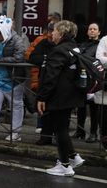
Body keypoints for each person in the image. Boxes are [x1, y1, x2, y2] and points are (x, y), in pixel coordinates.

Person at [37, 20, 85, 176]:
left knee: (60, 130)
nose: (52, 33)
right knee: (62, 127)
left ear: (62, 33)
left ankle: (64, 165)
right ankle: (73, 157)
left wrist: (42, 97)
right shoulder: (75, 48)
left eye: (55, 31)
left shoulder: (58, 51)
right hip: (72, 95)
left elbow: (51, 76)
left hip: (59, 96)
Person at [27, 22, 55, 145]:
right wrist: (47, 59)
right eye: (49, 31)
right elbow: (31, 56)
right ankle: (45, 136)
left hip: (57, 81)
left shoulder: (62, 45)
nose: (50, 34)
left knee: (55, 109)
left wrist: (46, 59)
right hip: (42, 79)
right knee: (43, 106)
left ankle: (57, 136)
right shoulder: (42, 42)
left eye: (53, 31)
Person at [72, 23, 101, 143]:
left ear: (99, 32)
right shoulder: (83, 44)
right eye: (90, 29)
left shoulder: (100, 45)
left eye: (95, 29)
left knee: (94, 109)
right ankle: (80, 131)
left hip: (93, 79)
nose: (92, 31)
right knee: (81, 107)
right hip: (82, 77)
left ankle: (93, 133)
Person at [95, 34, 107, 150]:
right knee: (104, 117)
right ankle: (105, 143)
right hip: (105, 86)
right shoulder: (105, 39)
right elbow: (99, 59)